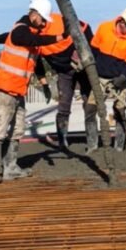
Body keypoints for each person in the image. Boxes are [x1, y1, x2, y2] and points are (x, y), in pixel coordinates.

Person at [0, 0, 65, 185]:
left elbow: (36, 61)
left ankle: (10, 168)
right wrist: (60, 37)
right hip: (5, 89)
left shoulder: (29, 35)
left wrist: (44, 84)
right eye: (43, 20)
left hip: (18, 90)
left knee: (17, 129)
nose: (44, 24)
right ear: (34, 15)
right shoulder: (21, 31)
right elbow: (20, 37)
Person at [84, 8, 126, 152]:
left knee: (120, 109)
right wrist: (92, 70)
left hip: (119, 79)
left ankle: (119, 144)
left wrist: (123, 77)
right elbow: (93, 50)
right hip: (100, 78)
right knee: (90, 109)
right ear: (121, 21)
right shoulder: (104, 28)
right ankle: (92, 144)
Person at [36, 13, 93, 150]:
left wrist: (84, 53)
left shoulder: (59, 20)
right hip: (64, 72)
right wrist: (44, 84)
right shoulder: (34, 35)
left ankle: (92, 140)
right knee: (64, 105)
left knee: (90, 103)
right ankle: (62, 141)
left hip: (81, 67)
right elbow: (37, 63)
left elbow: (86, 29)